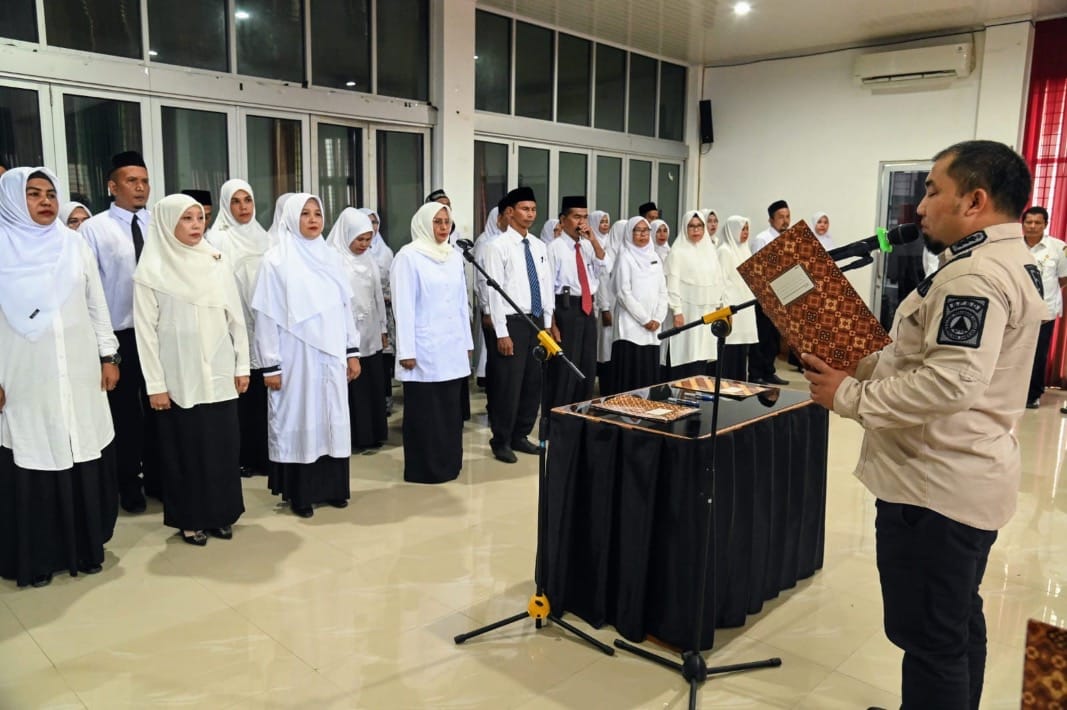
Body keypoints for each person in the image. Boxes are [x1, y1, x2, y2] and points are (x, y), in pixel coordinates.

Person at [803, 140, 1044, 710]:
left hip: (936, 488)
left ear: (975, 201)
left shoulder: (973, 276)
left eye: (934, 191)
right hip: (963, 475)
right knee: (955, 623)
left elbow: (950, 384)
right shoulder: (1003, 261)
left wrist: (849, 396)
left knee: (932, 640)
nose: (921, 206)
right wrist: (860, 361)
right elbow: (928, 363)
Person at [0, 167, 118, 587]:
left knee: (78, 446)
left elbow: (96, 303)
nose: (45, 201)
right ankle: (37, 558)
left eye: (50, 193)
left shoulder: (73, 244)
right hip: (23, 374)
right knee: (33, 451)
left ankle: (86, 549)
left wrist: (108, 354)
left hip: (79, 370)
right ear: (13, 200)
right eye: (33, 194)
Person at [134, 194, 248, 546]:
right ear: (168, 223)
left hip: (220, 372)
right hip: (178, 377)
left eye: (199, 218)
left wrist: (242, 364)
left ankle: (221, 514)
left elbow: (236, 318)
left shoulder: (216, 261)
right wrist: (155, 384)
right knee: (185, 452)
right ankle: (190, 520)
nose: (196, 225)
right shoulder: (151, 270)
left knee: (222, 448)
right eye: (186, 218)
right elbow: (145, 333)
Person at [251, 194, 361, 518]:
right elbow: (266, 317)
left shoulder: (331, 258)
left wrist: (351, 351)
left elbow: (345, 307)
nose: (313, 220)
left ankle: (333, 488)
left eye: (317, 213)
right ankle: (300, 494)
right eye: (305, 214)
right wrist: (270, 364)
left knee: (331, 418)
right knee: (301, 417)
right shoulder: (275, 261)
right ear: (290, 218)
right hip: (295, 355)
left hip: (332, 353)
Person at [80, 150, 160, 512]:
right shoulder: (94, 230)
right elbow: (89, 290)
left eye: (144, 181)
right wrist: (104, 350)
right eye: (132, 181)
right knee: (125, 414)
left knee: (161, 408)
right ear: (112, 187)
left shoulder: (159, 225)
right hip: (120, 335)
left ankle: (159, 478)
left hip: (157, 333)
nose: (140, 187)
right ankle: (128, 483)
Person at [391, 202, 473, 483]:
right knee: (427, 412)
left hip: (451, 346)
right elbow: (403, 307)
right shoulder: (408, 256)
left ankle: (449, 464)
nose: (443, 227)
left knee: (450, 411)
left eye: (446, 222)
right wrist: (406, 350)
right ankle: (424, 469)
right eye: (437, 222)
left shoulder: (453, 256)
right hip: (424, 348)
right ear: (424, 224)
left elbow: (461, 302)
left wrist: (467, 341)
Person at [205, 179, 273, 475]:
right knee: (242, 395)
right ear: (226, 205)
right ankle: (244, 456)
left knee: (265, 395)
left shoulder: (264, 238)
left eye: (248, 200)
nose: (243, 207)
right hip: (234, 327)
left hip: (265, 327)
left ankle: (267, 455)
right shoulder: (216, 240)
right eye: (236, 201)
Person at [483, 186, 554, 464]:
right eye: (525, 209)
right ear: (510, 212)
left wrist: (547, 324)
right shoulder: (496, 246)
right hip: (512, 322)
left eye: (533, 209)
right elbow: (494, 292)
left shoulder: (538, 245)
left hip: (535, 321)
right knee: (508, 385)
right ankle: (500, 440)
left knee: (532, 384)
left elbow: (546, 286)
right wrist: (501, 332)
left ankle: (520, 435)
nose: (530, 214)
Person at [327, 208, 389, 450]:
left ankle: (373, 433)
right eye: (359, 239)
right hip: (345, 333)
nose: (364, 244)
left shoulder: (369, 259)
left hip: (370, 331)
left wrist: (383, 327)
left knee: (371, 381)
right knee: (353, 386)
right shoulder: (333, 260)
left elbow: (377, 295)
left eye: (368, 239)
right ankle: (354, 436)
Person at [546, 195, 607, 406]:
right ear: (563, 220)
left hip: (587, 308)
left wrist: (594, 240)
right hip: (566, 308)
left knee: (587, 364)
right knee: (566, 367)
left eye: (585, 217)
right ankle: (561, 415)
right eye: (576, 217)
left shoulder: (588, 246)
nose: (581, 222)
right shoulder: (554, 248)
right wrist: (551, 323)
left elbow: (603, 267)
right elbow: (548, 288)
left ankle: (582, 411)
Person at [664, 210, 727, 379]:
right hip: (686, 311)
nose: (696, 230)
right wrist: (677, 311)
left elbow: (718, 281)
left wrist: (719, 306)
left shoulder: (710, 251)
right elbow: (672, 284)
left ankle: (696, 389)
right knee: (684, 351)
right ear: (685, 228)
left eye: (699, 226)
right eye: (691, 226)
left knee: (701, 352)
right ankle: (678, 391)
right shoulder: (677, 252)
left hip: (707, 310)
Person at [611, 217, 669, 391]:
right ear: (630, 233)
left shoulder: (655, 257)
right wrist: (645, 319)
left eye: (646, 230)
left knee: (648, 378)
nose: (643, 234)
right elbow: (623, 293)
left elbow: (662, 291)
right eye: (638, 230)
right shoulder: (625, 257)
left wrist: (658, 318)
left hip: (653, 329)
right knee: (630, 377)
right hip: (630, 328)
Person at [1020, 206, 1067, 409]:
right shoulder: (1013, 246)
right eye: (1028, 222)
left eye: (1037, 222)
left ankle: (1033, 395)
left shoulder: (1058, 248)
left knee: (1038, 355)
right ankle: (1010, 392)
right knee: (1012, 353)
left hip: (1043, 313)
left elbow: (1063, 278)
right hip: (1015, 311)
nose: (1032, 226)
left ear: (1045, 224)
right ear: (1022, 224)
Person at [747, 199, 792, 385]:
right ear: (771, 220)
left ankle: (768, 371)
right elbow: (756, 270)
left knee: (774, 337)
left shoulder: (789, 238)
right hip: (764, 297)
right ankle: (756, 373)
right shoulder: (762, 239)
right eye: (781, 217)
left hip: (782, 294)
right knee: (762, 336)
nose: (785, 220)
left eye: (787, 216)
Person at [360, 207, 397, 416]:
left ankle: (385, 399)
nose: (372, 227)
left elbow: (393, 280)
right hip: (361, 314)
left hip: (384, 313)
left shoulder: (385, 252)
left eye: (374, 222)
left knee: (383, 358)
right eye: (367, 222)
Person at [716, 216, 758, 380]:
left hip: (745, 307)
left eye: (747, 229)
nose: (745, 232)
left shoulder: (745, 250)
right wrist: (723, 308)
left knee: (742, 351)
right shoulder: (724, 251)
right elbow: (720, 281)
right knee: (730, 349)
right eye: (742, 229)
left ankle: (739, 387)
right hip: (731, 307)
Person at [473, 201, 509, 389]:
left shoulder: (508, 241)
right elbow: (482, 279)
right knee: (492, 349)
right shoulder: (485, 242)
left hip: (504, 307)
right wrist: (487, 309)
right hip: (490, 305)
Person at [595, 219, 629, 395]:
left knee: (618, 347)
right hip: (609, 307)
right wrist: (605, 308)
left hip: (623, 308)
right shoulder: (608, 254)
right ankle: (606, 388)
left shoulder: (628, 252)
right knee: (606, 350)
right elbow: (602, 283)